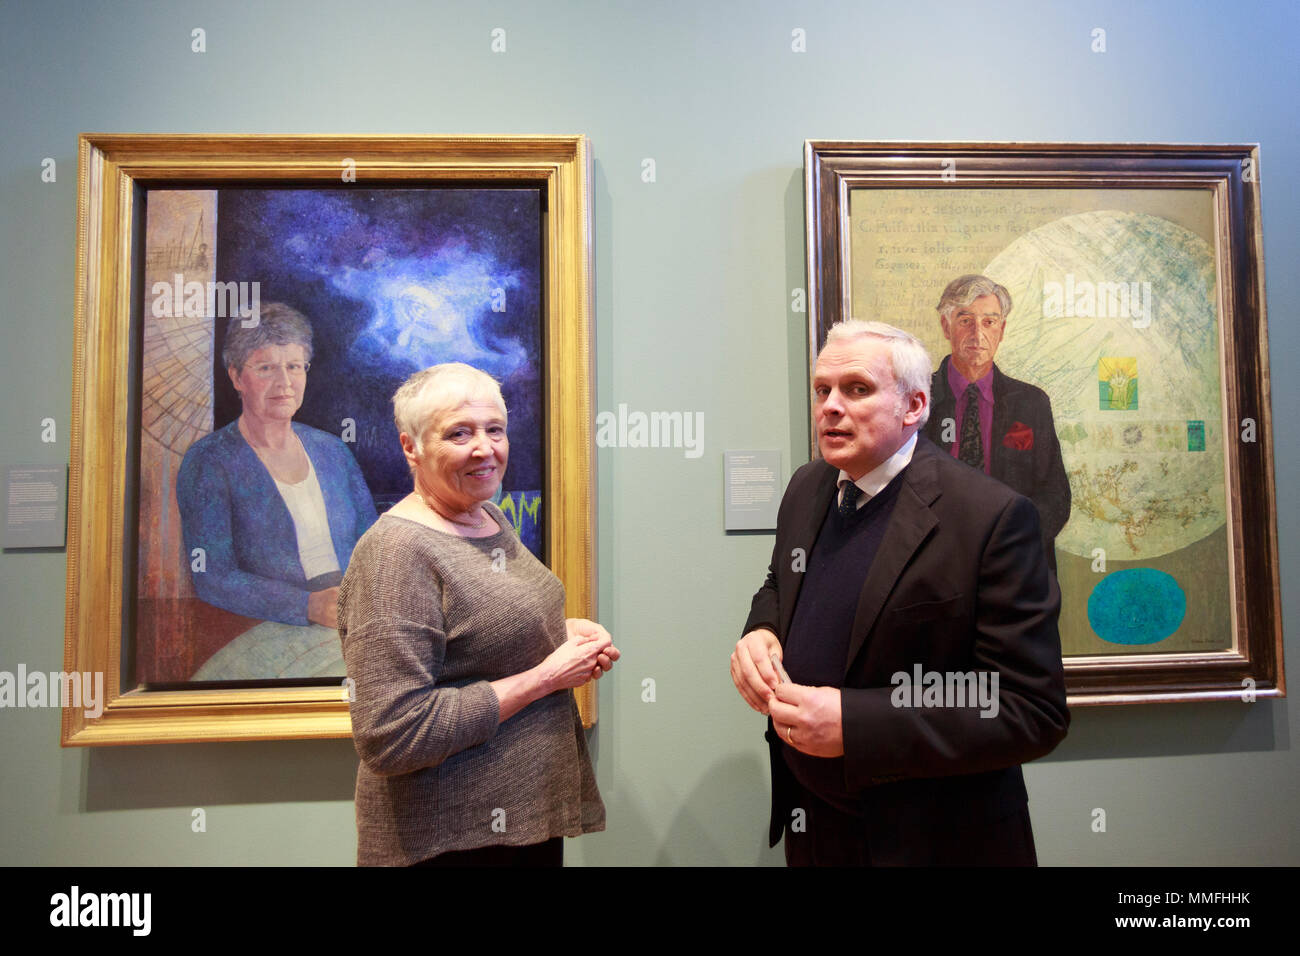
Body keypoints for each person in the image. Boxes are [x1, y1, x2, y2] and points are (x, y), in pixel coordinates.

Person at [731, 320, 1068, 866]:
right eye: (822, 390)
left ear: (912, 406)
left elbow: (1029, 709)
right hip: (815, 828)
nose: (830, 407)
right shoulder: (807, 487)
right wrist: (761, 631)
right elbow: (780, 583)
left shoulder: (991, 517)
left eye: (856, 389)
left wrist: (856, 725)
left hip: (933, 840)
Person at [338, 363, 616, 866]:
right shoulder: (395, 552)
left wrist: (560, 635)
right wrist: (548, 676)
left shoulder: (485, 514)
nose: (485, 448)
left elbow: (484, 635)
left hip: (521, 824)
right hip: (449, 843)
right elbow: (392, 733)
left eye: (495, 430)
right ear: (411, 447)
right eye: (459, 433)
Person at [176, 303, 378, 630]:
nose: (284, 382)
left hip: (354, 613)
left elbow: (372, 543)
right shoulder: (209, 461)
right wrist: (308, 605)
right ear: (237, 377)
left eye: (295, 366)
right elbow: (212, 576)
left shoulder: (332, 451)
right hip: (270, 623)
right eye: (266, 368)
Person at [922, 274, 1070, 567]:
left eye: (989, 322)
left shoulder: (1031, 404)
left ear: (1001, 330)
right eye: (965, 320)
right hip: (933, 566)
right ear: (945, 327)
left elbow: (1055, 496)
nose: (978, 333)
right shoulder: (916, 400)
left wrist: (1011, 544)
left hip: (1014, 566)